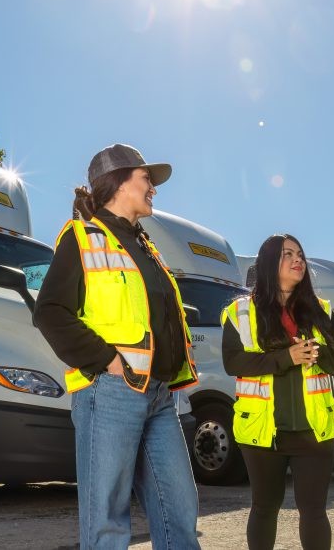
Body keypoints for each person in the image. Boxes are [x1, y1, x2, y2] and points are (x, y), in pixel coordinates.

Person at [33, 144, 200, 549]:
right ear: (119, 182)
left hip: (159, 394)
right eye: (147, 179)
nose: (154, 189)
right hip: (111, 393)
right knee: (107, 517)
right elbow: (50, 312)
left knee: (178, 508)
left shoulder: (145, 245)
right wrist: (106, 359)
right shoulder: (83, 238)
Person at [221, 234, 334, 550]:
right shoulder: (240, 312)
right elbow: (233, 362)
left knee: (314, 512)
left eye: (299, 254)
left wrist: (318, 350)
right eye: (287, 254)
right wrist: (286, 357)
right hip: (262, 431)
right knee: (264, 508)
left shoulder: (321, 310)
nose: (298, 260)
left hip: (315, 432)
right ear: (268, 263)